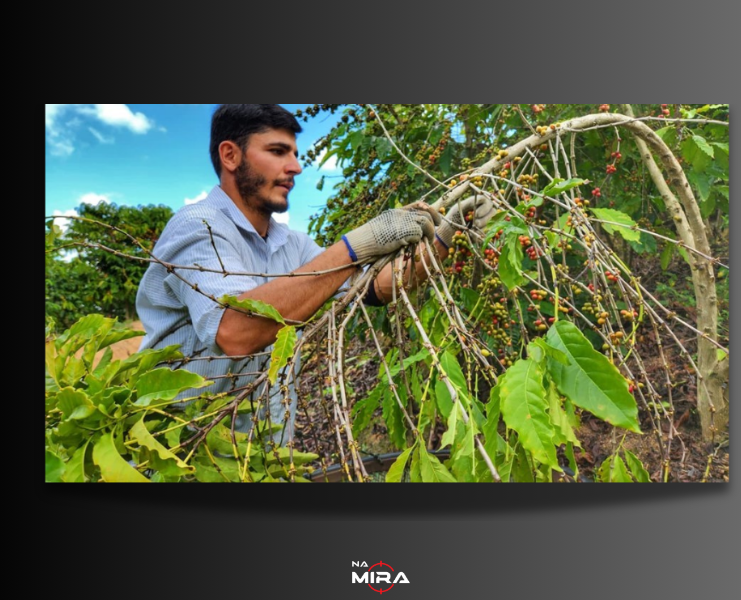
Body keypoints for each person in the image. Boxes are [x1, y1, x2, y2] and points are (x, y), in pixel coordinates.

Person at [135, 104, 494, 447]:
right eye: (278, 151)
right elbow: (235, 331)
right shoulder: (198, 228)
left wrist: (444, 239)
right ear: (230, 156)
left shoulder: (294, 244)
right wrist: (354, 248)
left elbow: (375, 289)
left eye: (294, 153)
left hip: (264, 455)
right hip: (184, 451)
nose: (296, 167)